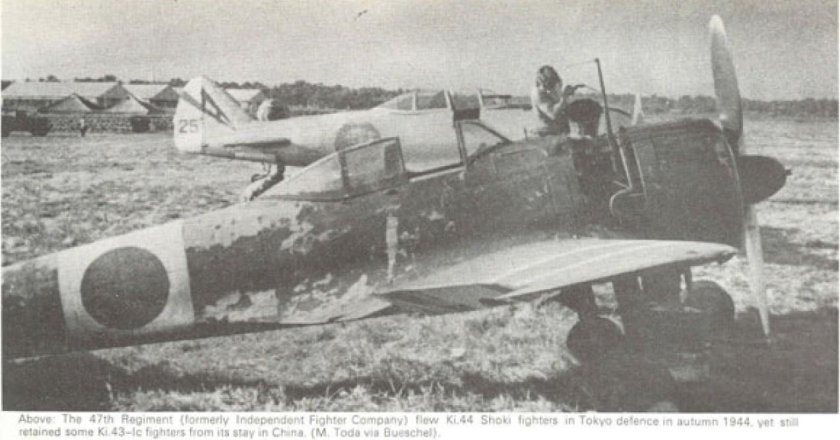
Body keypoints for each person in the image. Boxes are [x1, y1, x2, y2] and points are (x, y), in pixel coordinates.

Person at [530, 65, 582, 137]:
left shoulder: (550, 89)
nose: (553, 87)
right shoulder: (538, 93)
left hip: (560, 131)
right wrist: (564, 97)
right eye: (549, 82)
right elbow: (553, 114)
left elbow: (561, 105)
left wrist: (568, 94)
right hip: (546, 133)